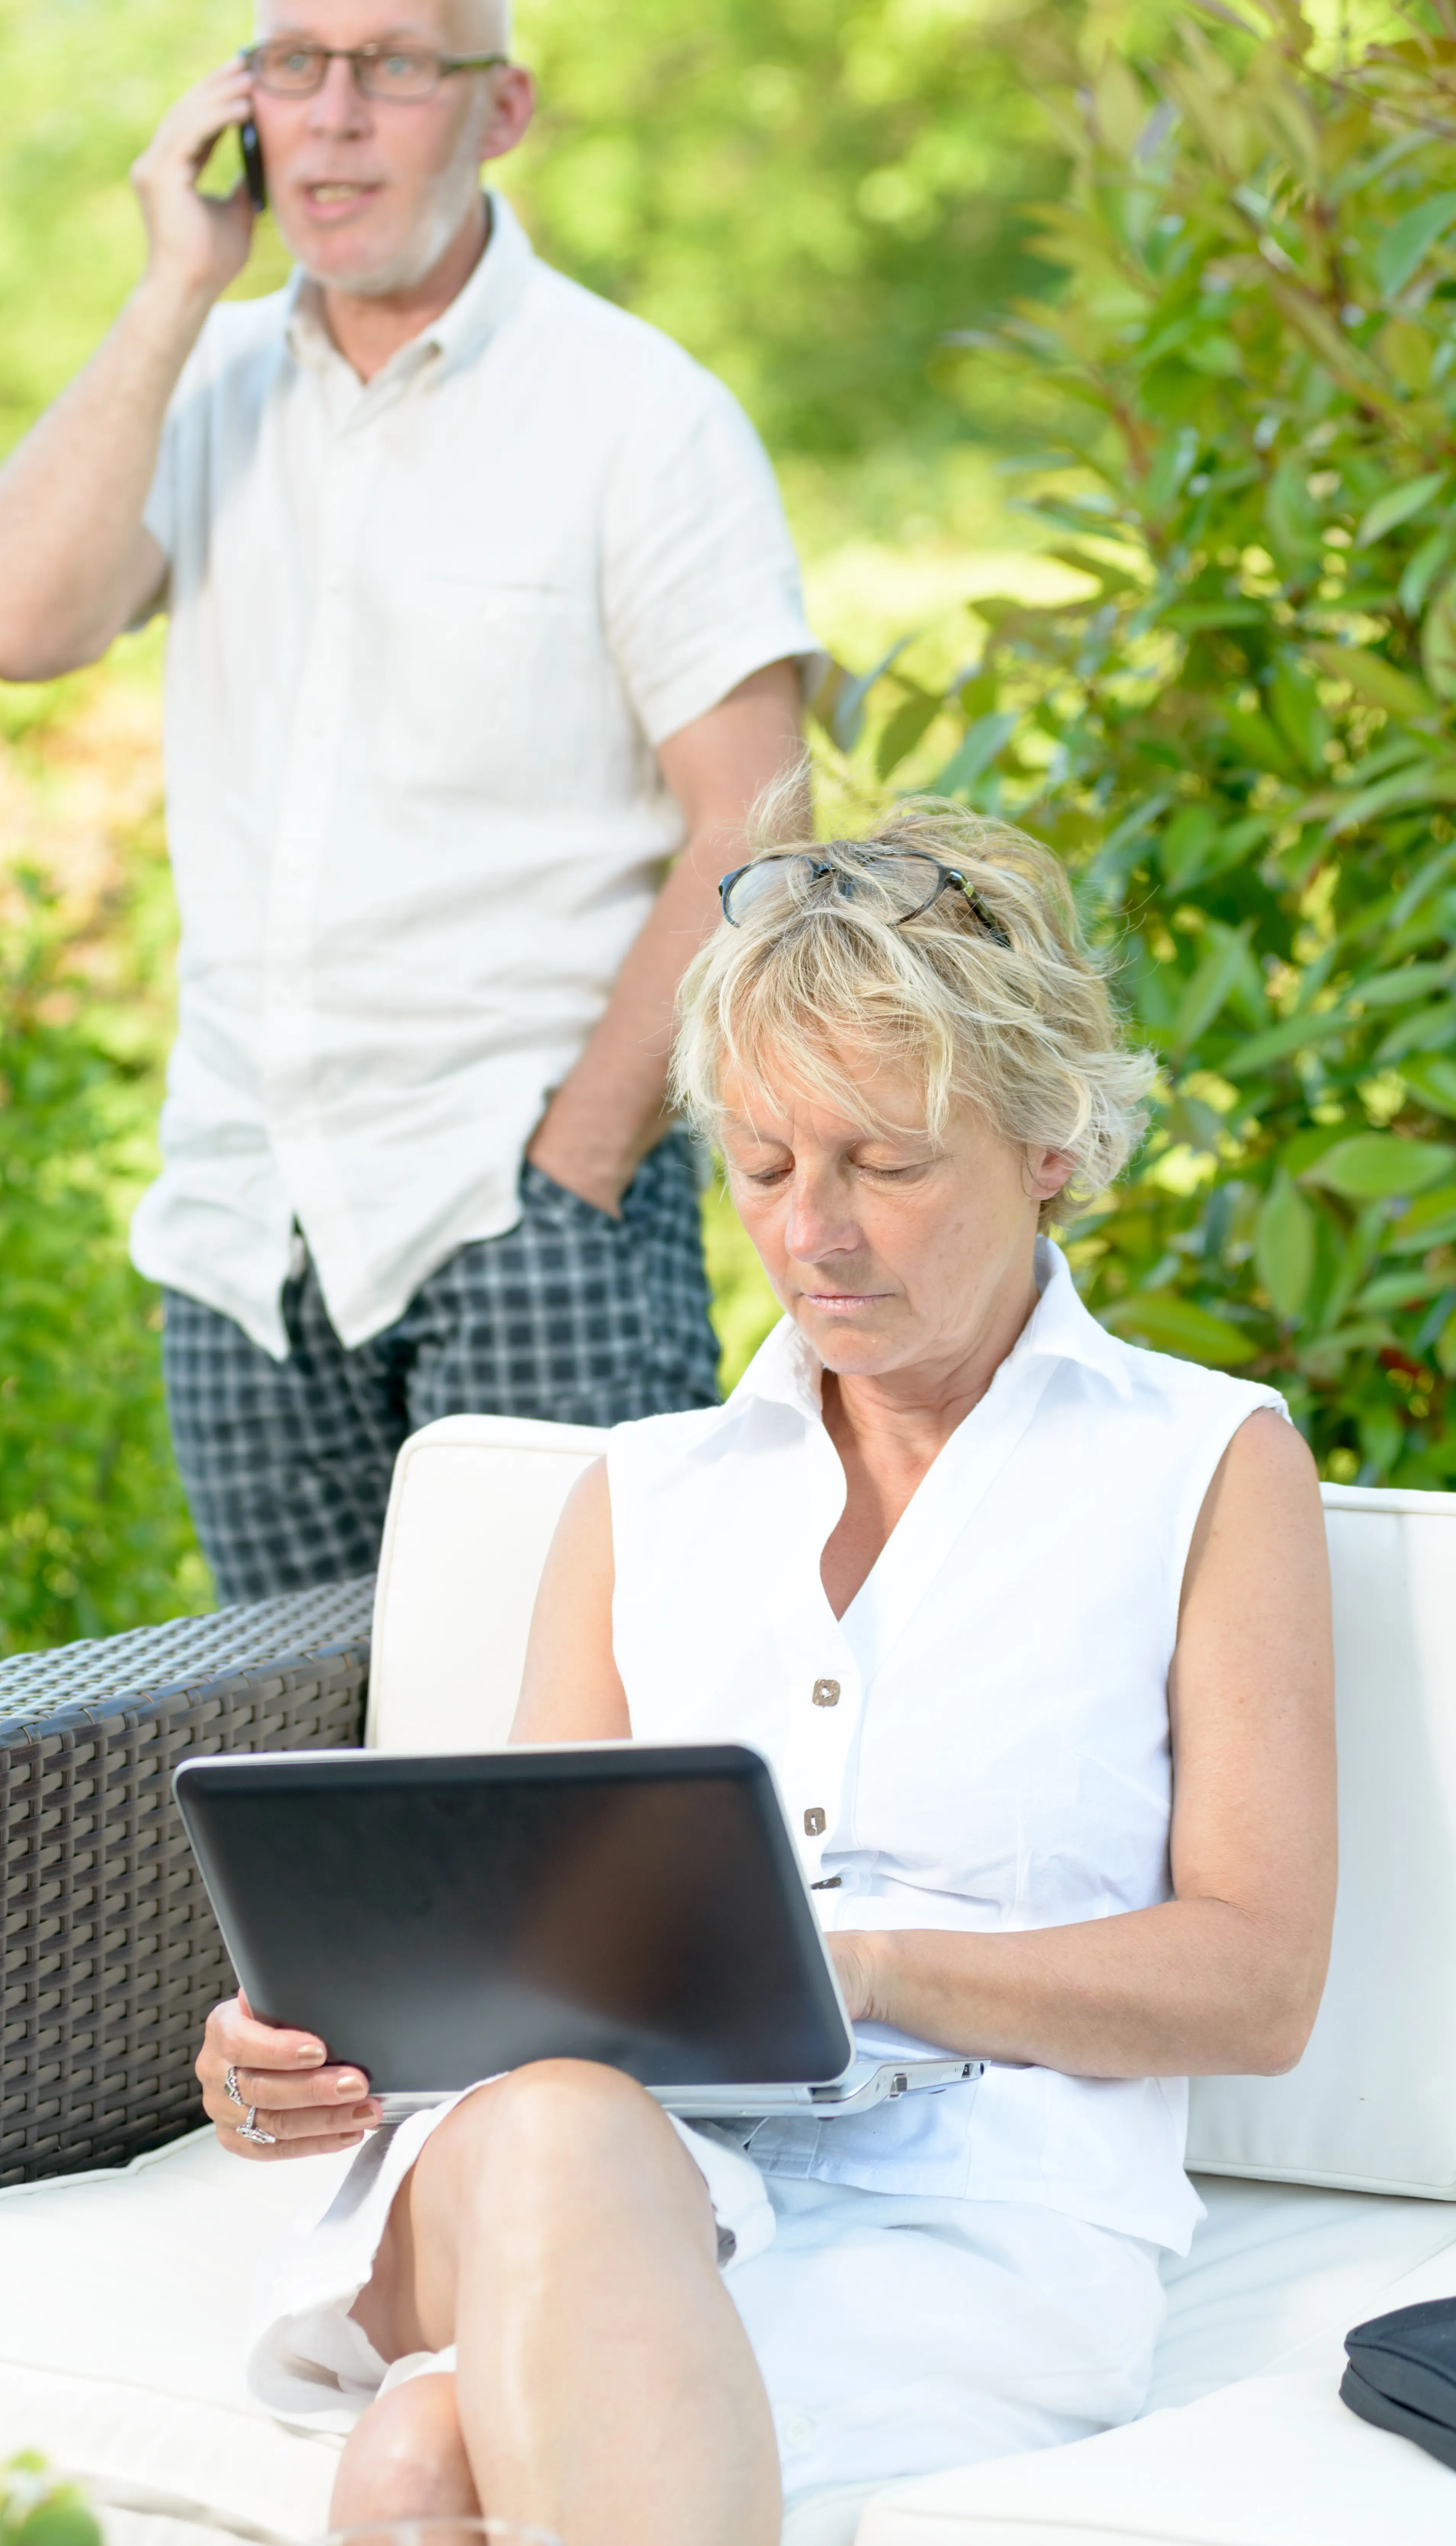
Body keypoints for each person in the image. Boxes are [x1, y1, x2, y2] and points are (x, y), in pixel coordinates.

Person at [190, 802, 1337, 2546]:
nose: (814, 1234)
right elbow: (513, 1962)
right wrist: (302, 2048)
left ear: (1046, 1144)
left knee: (423, 2472)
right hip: (579, 2167)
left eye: (884, 1164)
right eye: (763, 1165)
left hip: (979, 2217)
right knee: (561, 2120)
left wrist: (852, 1965)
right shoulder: (641, 1493)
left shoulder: (1203, 1463)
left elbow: (1254, 1983)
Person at [0, 0, 816, 1602]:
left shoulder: (639, 414)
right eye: (291, 62)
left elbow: (759, 820)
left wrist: (570, 1167)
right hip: (239, 1233)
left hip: (525, 1218)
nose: (332, 114)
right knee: (309, 1805)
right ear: (238, 105)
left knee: (562, 1794)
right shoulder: (198, 396)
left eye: (391, 65)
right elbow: (10, 627)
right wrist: (171, 288)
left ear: (500, 108)